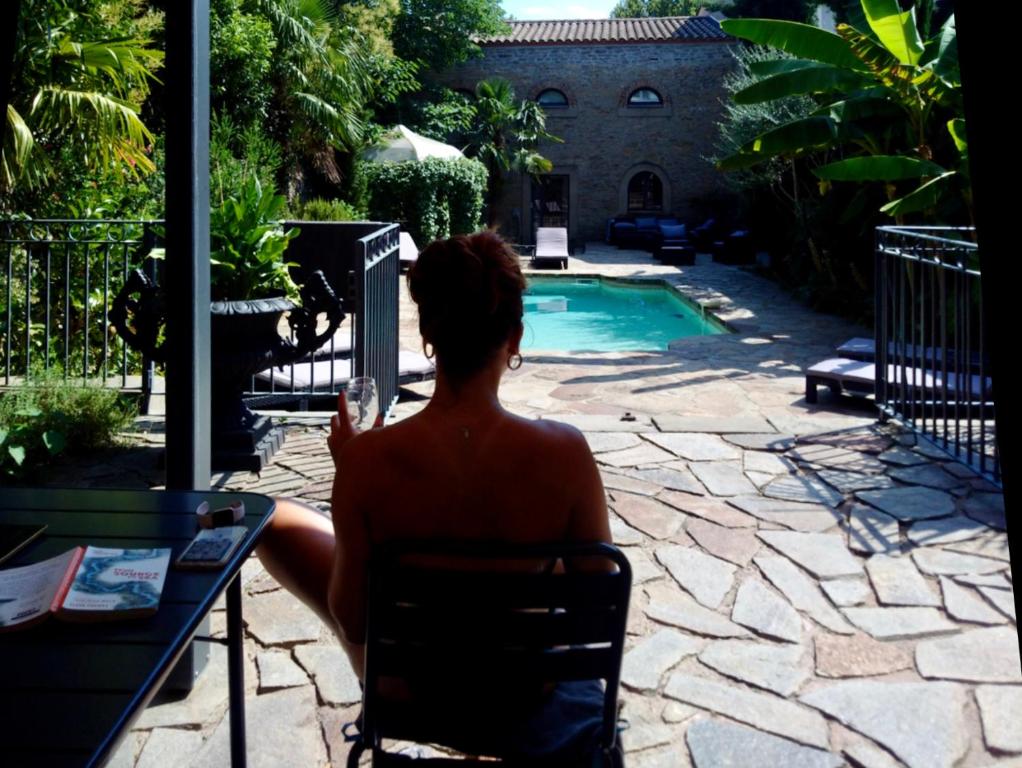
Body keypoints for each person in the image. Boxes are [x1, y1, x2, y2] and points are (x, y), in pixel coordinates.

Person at [254, 230, 612, 754]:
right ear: (513, 338)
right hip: (525, 693)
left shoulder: (367, 460)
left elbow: (352, 619)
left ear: (428, 335)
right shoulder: (566, 454)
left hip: (413, 695)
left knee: (281, 521)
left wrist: (350, 474)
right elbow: (596, 603)